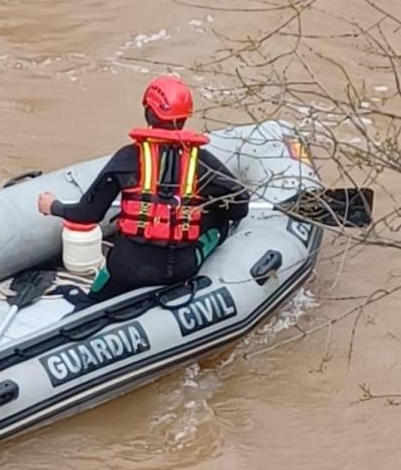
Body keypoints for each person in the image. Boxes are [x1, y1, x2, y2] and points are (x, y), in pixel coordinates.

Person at [38, 76, 249, 307]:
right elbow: (239, 206)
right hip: (180, 269)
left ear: (149, 112)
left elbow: (87, 213)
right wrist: (205, 208)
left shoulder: (127, 158)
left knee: (91, 301)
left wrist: (53, 206)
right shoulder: (202, 163)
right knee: (219, 223)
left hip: (126, 270)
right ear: (185, 117)